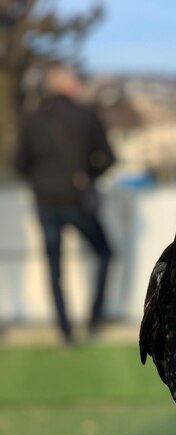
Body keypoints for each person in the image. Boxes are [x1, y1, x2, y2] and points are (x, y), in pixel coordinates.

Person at [15, 64, 115, 345]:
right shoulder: (85, 117)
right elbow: (108, 158)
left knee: (54, 267)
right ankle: (94, 318)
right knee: (106, 252)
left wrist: (41, 179)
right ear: (69, 85)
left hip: (45, 202)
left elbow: (19, 164)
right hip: (77, 200)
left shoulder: (33, 120)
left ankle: (65, 331)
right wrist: (88, 175)